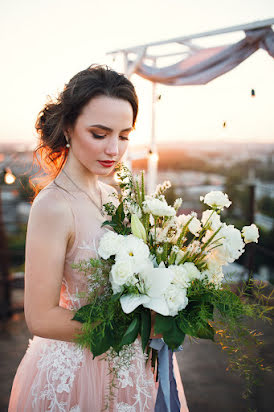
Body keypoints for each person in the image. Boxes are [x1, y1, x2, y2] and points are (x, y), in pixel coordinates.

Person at [8, 64, 189, 411]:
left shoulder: (113, 196)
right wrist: (135, 328)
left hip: (131, 369)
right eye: (99, 133)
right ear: (69, 127)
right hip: (76, 372)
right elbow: (40, 317)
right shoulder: (53, 205)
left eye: (123, 135)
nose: (113, 150)